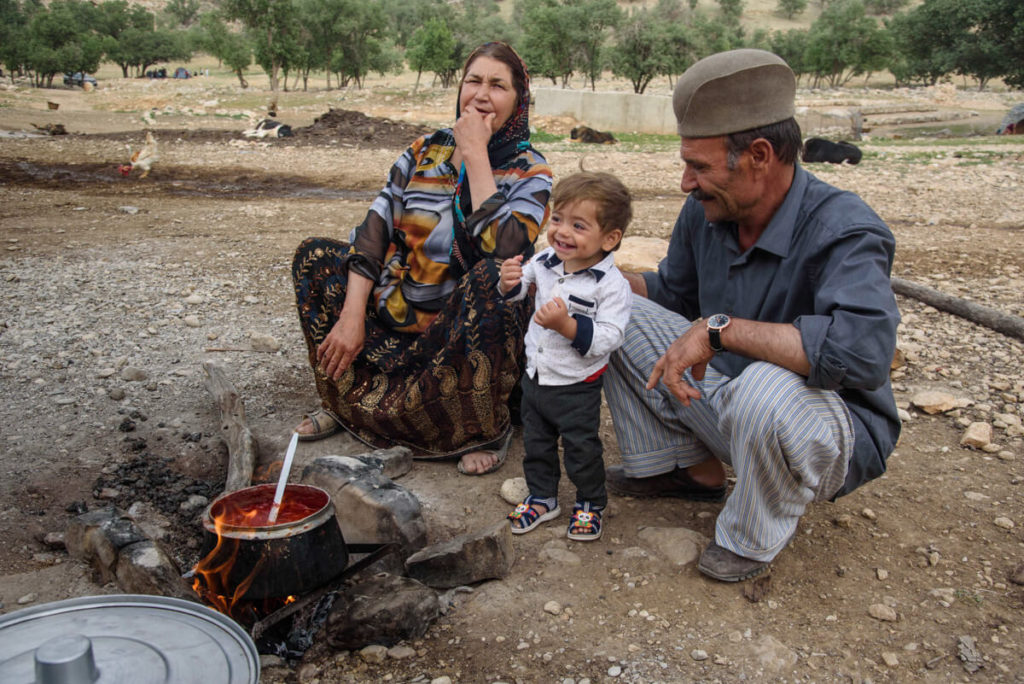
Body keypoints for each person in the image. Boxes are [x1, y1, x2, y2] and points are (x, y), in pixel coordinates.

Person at [602, 49, 901, 581]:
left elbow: (862, 354)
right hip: (732, 404)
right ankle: (684, 469)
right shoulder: (707, 212)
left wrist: (721, 332)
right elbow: (673, 294)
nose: (685, 184)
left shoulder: (846, 229)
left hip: (826, 431)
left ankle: (752, 536)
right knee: (613, 310)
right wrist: (595, 276)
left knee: (766, 385)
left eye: (699, 166)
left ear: (759, 155)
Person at [291, 42, 553, 475]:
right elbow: (373, 233)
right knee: (314, 257)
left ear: (519, 101)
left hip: (459, 341)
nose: (482, 94)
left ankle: (478, 430)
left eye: (497, 85)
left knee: (497, 277)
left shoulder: (531, 171)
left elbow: (507, 249)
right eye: (474, 81)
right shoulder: (422, 152)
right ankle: (348, 404)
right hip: (393, 317)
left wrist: (475, 155)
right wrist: (353, 315)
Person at [499, 172, 633, 541]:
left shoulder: (611, 286)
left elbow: (610, 336)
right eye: (557, 219)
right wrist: (508, 282)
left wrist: (567, 326)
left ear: (610, 238)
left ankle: (591, 502)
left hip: (577, 385)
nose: (561, 232)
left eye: (578, 225)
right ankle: (543, 497)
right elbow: (519, 287)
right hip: (537, 375)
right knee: (537, 444)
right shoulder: (544, 260)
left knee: (581, 448)